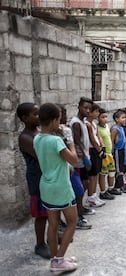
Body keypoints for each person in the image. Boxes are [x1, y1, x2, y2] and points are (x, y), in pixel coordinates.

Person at [33, 103, 78, 272]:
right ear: (53, 120)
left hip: (46, 187)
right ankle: (58, 260)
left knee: (52, 225)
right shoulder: (56, 140)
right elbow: (73, 160)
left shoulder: (37, 138)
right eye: (58, 119)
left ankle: (55, 259)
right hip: (61, 188)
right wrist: (70, 140)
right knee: (72, 222)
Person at [17, 103, 50, 259]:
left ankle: (52, 237)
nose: (39, 117)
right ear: (24, 118)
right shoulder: (25, 137)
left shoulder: (38, 132)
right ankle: (40, 244)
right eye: (35, 114)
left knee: (50, 209)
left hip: (46, 176)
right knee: (41, 214)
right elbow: (41, 155)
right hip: (36, 178)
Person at [70, 97, 95, 229]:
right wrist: (84, 155)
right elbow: (76, 140)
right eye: (85, 107)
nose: (87, 110)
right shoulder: (76, 123)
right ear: (79, 106)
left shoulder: (83, 122)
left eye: (89, 109)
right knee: (79, 188)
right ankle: (77, 213)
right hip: (78, 161)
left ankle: (80, 208)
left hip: (83, 158)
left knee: (85, 184)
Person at [85, 103, 106, 207]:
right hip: (92, 150)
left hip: (97, 149)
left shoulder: (93, 124)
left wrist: (103, 147)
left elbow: (98, 136)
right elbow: (92, 139)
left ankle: (93, 195)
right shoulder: (87, 124)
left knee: (96, 173)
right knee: (92, 176)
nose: (98, 113)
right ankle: (91, 197)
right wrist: (99, 150)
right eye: (96, 111)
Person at [97, 108, 118, 198]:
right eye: (102, 117)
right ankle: (102, 192)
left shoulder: (107, 127)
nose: (105, 119)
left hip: (110, 153)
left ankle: (110, 188)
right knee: (103, 173)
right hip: (104, 154)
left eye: (106, 117)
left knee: (112, 171)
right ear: (98, 118)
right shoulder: (97, 128)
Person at [111, 109, 126, 194]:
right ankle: (122, 185)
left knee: (122, 167)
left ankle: (117, 186)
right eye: (122, 118)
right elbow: (111, 140)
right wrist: (111, 151)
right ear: (116, 119)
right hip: (117, 150)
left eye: (125, 118)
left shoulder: (121, 127)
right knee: (119, 169)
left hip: (123, 149)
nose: (124, 119)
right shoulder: (115, 129)